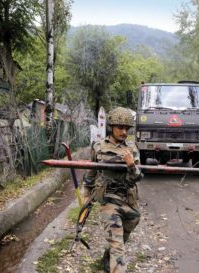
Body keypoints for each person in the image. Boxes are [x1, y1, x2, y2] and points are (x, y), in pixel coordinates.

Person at [83, 107, 143, 273]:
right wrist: (86, 194)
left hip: (128, 199)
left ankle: (108, 254)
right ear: (111, 127)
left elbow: (137, 178)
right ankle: (115, 263)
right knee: (118, 246)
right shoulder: (98, 147)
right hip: (108, 200)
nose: (124, 132)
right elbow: (91, 172)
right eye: (120, 128)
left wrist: (131, 165)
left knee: (130, 226)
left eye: (127, 129)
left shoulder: (132, 149)